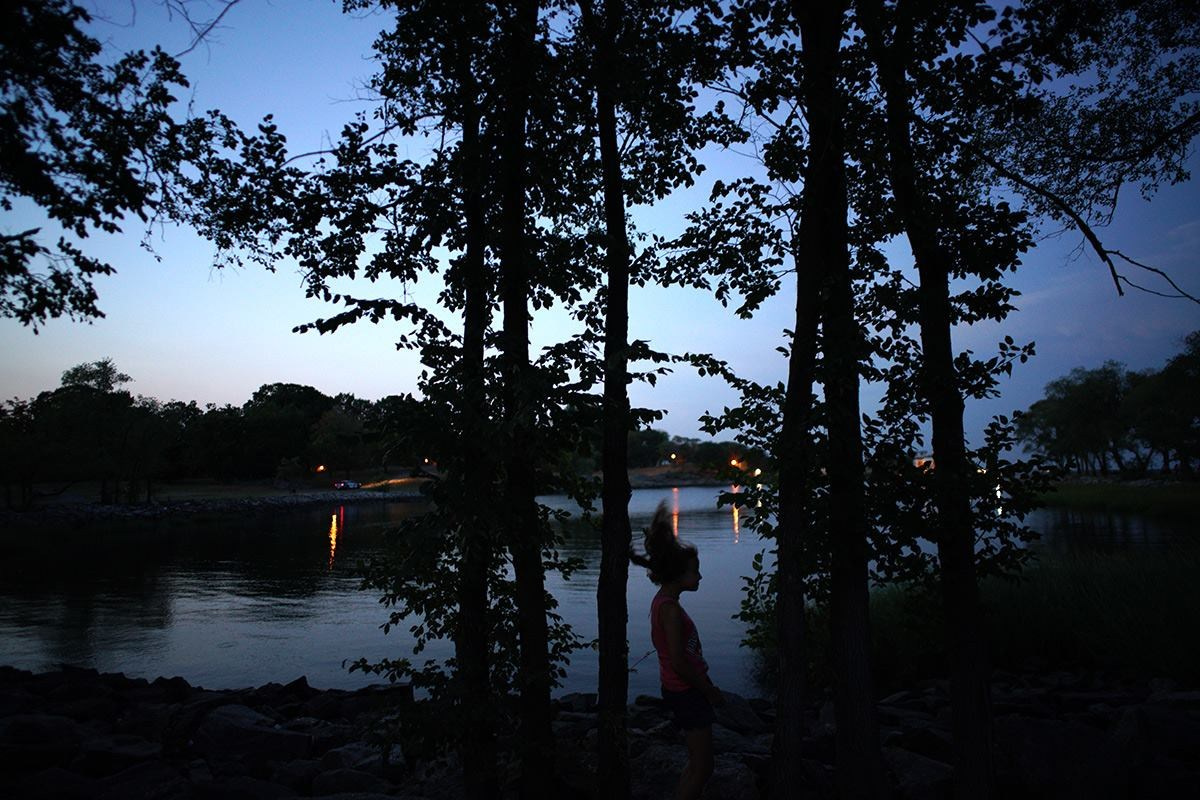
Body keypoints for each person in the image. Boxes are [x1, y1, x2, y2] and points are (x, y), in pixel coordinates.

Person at [630, 501, 725, 800]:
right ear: (677, 575)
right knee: (703, 766)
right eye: (695, 572)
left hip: (681, 690)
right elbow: (679, 662)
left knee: (698, 765)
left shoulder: (664, 602)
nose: (700, 577)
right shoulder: (669, 610)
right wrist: (708, 690)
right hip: (685, 691)